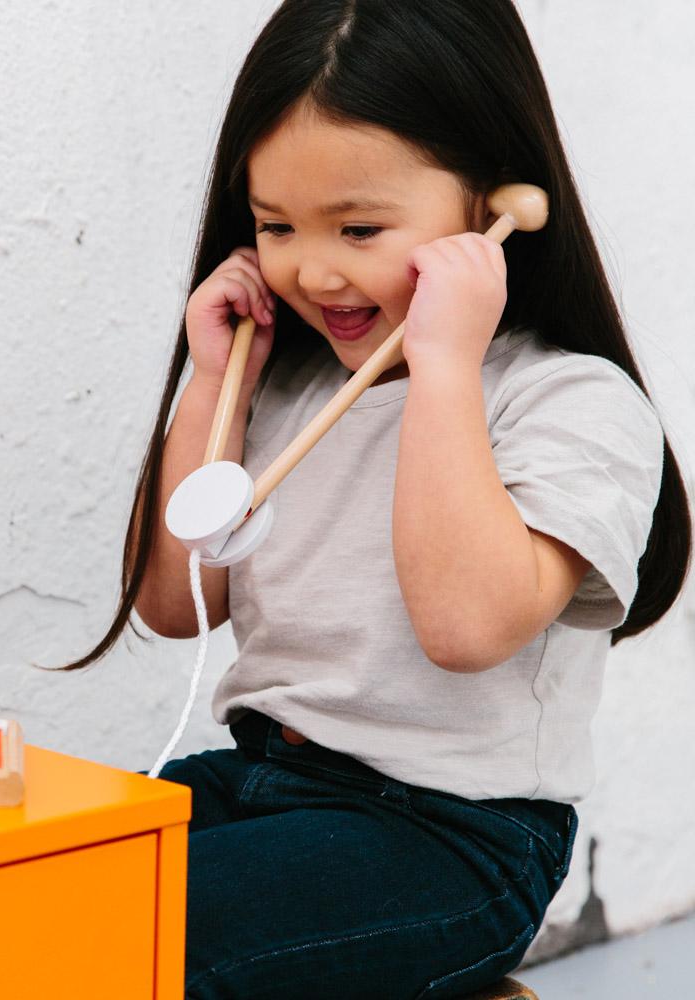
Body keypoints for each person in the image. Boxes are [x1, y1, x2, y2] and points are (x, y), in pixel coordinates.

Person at [43, 1, 692, 996]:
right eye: (275, 225)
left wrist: (444, 368)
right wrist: (216, 384)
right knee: (26, 894)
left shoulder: (569, 401)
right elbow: (174, 604)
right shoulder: (286, 386)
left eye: (359, 228)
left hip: (451, 835)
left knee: (137, 941)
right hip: (261, 780)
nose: (314, 269)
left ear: (494, 208)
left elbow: (465, 628)